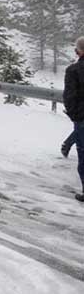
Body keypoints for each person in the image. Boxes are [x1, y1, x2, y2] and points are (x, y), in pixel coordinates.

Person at [62, 36, 84, 202]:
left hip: (82, 118)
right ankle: (66, 144)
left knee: (83, 156)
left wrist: (75, 115)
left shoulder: (73, 70)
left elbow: (70, 97)